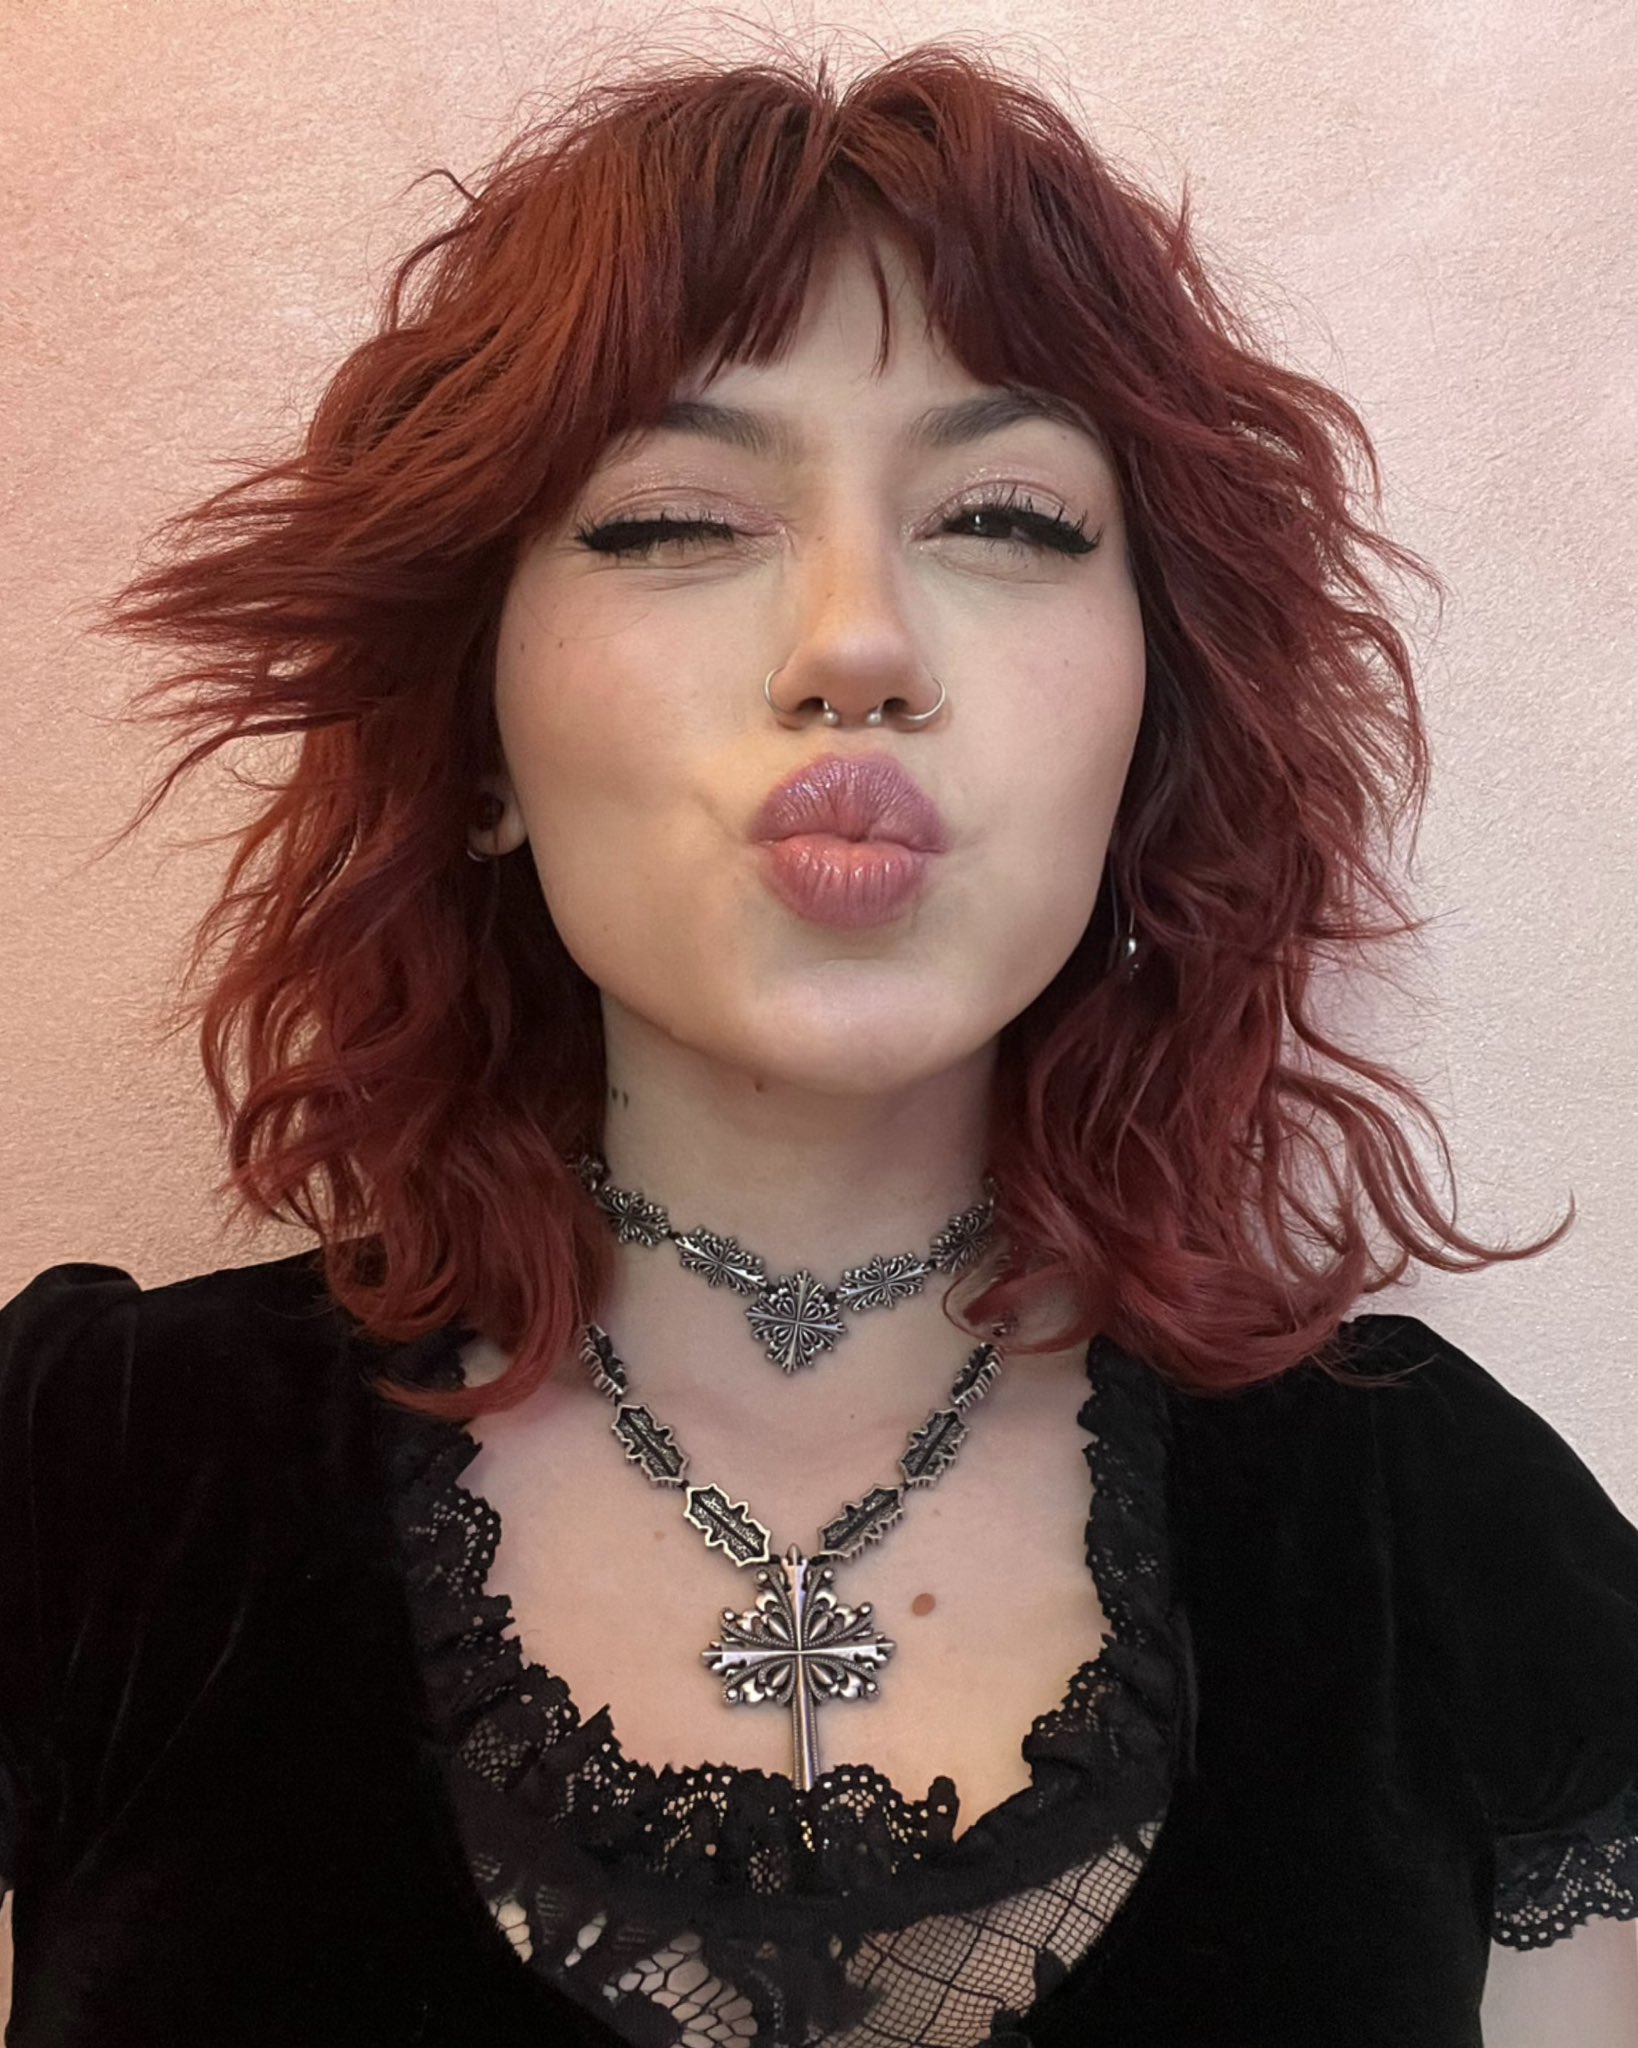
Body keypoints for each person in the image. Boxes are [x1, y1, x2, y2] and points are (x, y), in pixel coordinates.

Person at [1, 37, 1634, 2048]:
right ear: (476, 746)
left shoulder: (1443, 1549)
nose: (857, 642)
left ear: (1150, 749)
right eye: (671, 520)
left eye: (1007, 518)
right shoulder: (87, 1484)